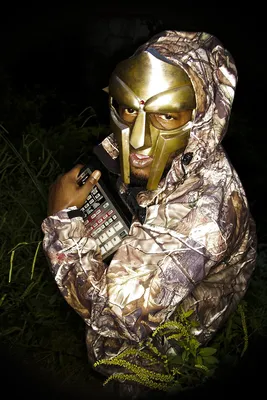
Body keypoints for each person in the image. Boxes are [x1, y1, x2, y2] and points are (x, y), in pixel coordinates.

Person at [41, 30, 257, 397]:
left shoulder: (201, 218)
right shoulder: (190, 153)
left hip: (153, 360)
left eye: (167, 116)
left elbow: (112, 318)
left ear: (201, 116)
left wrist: (62, 222)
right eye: (128, 109)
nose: (138, 141)